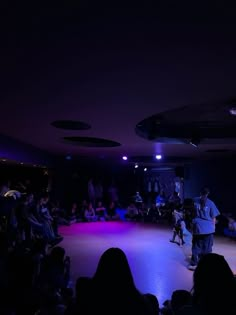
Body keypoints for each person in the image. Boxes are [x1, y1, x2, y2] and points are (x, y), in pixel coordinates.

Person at [188, 187, 220, 270]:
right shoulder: (211, 203)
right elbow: (213, 218)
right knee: (207, 248)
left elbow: (191, 213)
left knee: (196, 246)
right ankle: (206, 265)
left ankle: (194, 264)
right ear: (208, 194)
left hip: (197, 227)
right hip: (208, 229)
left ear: (200, 193)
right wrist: (213, 227)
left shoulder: (194, 200)